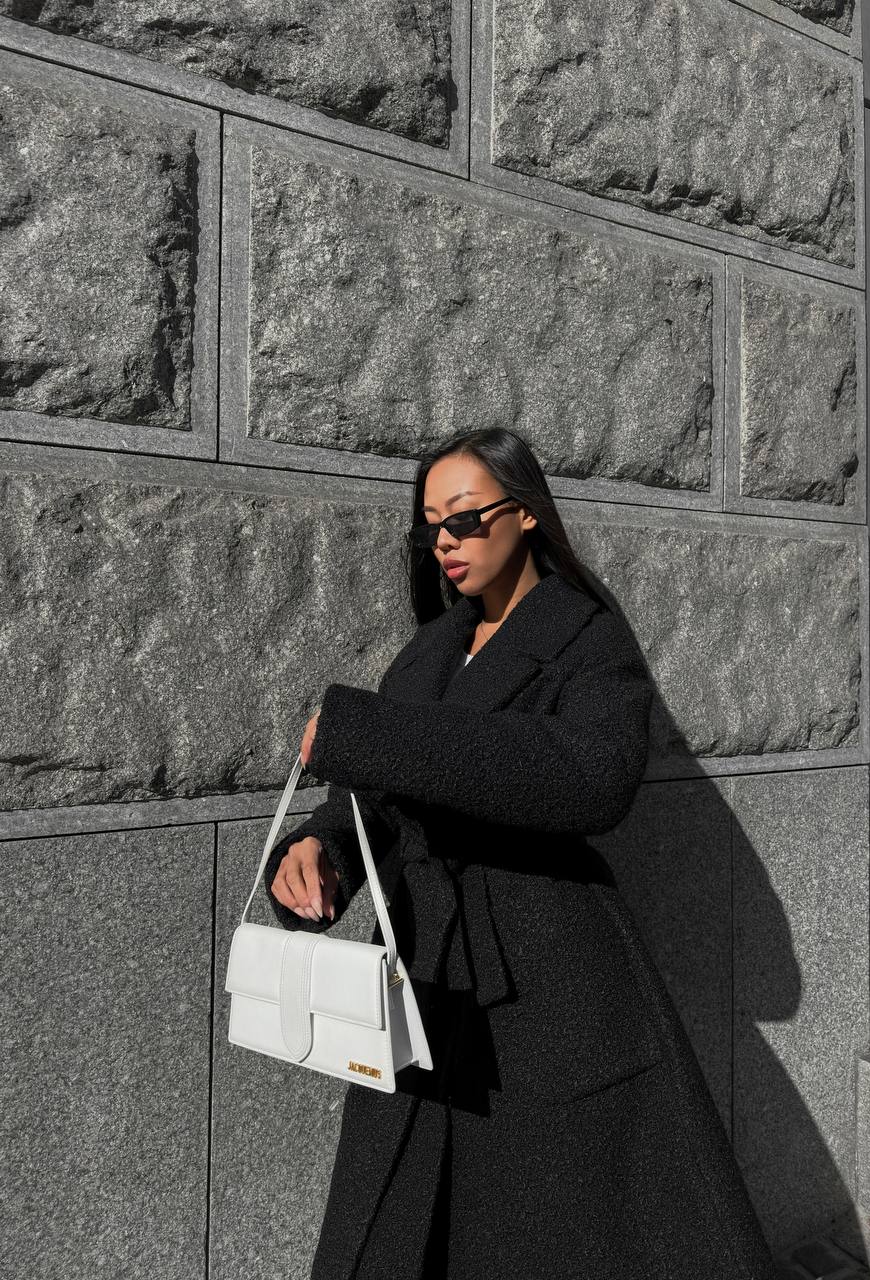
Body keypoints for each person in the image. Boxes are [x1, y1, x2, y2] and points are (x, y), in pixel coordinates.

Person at [264, 427, 780, 1279]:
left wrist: (378, 737)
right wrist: (323, 850)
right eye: (432, 524)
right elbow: (379, 804)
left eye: (466, 518)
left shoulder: (587, 637)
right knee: (404, 1221)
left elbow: (592, 779)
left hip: (548, 986)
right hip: (425, 974)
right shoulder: (430, 649)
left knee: (550, 1233)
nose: (446, 540)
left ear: (526, 513)